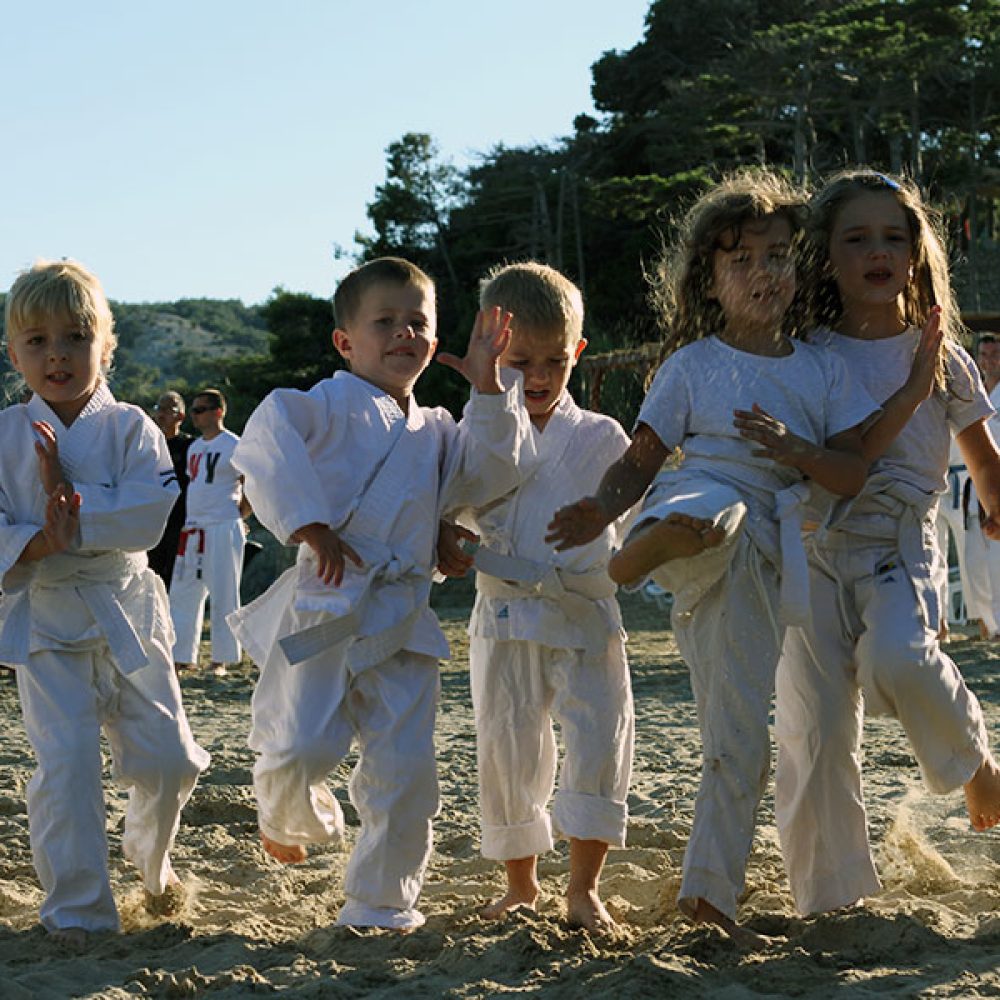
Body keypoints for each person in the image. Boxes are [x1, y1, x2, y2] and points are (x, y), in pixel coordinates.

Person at [545, 171, 877, 947]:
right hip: (690, 494)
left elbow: (848, 469)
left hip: (767, 543)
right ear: (709, 279)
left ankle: (707, 897)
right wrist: (603, 505)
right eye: (743, 260)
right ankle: (641, 548)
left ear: (801, 272)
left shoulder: (818, 367)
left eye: (779, 257)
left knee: (740, 738)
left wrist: (795, 450)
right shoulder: (690, 364)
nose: (765, 273)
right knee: (707, 508)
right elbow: (641, 456)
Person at [227, 256, 533, 931]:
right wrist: (307, 522)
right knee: (299, 748)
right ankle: (285, 812)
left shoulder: (441, 427)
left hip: (403, 616)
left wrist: (487, 389)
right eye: (385, 322)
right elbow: (266, 437)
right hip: (329, 601)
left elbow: (488, 473)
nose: (404, 334)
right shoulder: (320, 405)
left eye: (419, 322)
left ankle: (381, 903)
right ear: (346, 342)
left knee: (406, 771)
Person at [773, 170, 1000, 920]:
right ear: (826, 257)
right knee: (818, 726)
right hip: (811, 546)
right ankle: (832, 898)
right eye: (857, 238)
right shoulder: (803, 353)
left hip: (900, 542)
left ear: (915, 254)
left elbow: (983, 456)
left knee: (899, 657)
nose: (878, 251)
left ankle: (974, 764)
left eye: (894, 237)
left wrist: (997, 505)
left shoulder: (940, 354)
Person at [0, 260, 209, 945]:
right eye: (37, 341)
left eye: (75, 337)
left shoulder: (129, 428)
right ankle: (79, 912)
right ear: (13, 351)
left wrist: (72, 519)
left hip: (125, 608)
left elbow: (152, 514)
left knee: (169, 761)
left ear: (105, 347)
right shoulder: (4, 436)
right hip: (46, 618)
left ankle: (151, 863)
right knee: (67, 766)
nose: (56, 353)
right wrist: (36, 545)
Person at [437, 262, 633, 932]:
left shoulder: (604, 437)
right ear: (493, 351)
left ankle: (583, 886)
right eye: (521, 362)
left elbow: (634, 530)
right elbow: (448, 509)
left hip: (585, 610)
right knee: (507, 744)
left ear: (578, 353)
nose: (541, 376)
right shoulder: (474, 434)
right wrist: (447, 541)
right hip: (503, 611)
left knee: (599, 740)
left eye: (556, 360)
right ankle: (521, 885)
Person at [169, 388, 250, 675]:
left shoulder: (234, 444)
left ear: (218, 412)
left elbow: (250, 482)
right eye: (193, 410)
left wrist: (239, 515)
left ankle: (221, 660)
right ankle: (182, 656)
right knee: (183, 591)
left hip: (222, 524)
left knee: (224, 591)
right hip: (194, 526)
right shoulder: (195, 447)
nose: (195, 415)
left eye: (200, 410)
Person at [961, 333, 1000, 639]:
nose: (989, 361)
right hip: (973, 484)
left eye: (995, 355)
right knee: (975, 557)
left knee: (997, 557)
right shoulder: (974, 392)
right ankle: (988, 624)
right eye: (984, 355)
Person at [146, 390, 193, 589]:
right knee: (150, 574)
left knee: (176, 576)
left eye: (167, 409)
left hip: (181, 521)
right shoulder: (148, 446)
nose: (160, 414)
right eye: (158, 409)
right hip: (152, 520)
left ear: (180, 416)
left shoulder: (191, 446)